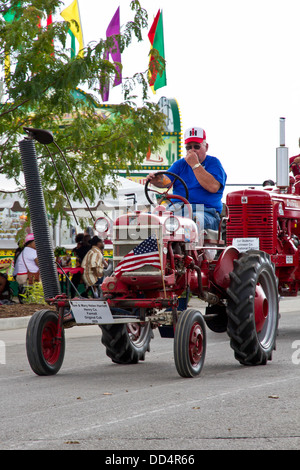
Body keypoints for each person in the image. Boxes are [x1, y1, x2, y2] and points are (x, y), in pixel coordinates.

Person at [146, 126, 227, 230]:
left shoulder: (214, 163)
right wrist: (155, 179)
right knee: (148, 218)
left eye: (196, 147)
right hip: (178, 209)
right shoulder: (180, 164)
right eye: (188, 147)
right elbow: (165, 181)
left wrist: (195, 165)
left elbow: (213, 187)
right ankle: (155, 245)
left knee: (192, 221)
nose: (192, 150)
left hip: (205, 212)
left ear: (206, 147)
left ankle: (184, 245)